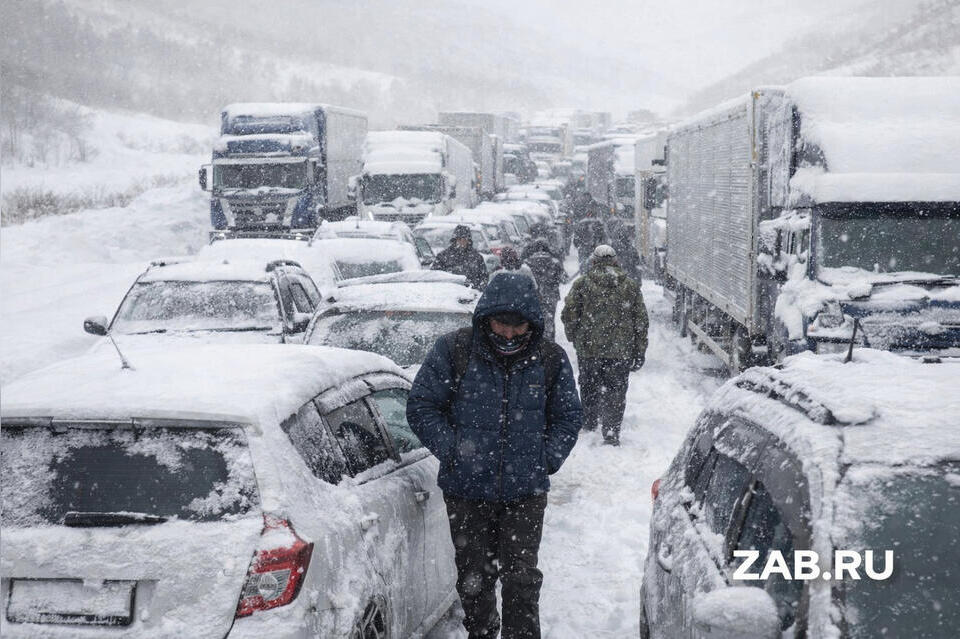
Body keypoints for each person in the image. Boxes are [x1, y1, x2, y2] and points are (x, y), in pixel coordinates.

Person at [407, 273, 583, 639]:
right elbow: (423, 405)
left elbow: (567, 416)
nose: (508, 334)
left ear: (531, 323)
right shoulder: (454, 350)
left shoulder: (549, 359)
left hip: (525, 493)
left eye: (518, 326)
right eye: (502, 324)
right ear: (486, 317)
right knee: (475, 580)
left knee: (521, 579)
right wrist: (453, 451)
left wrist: (545, 458)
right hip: (466, 491)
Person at [561, 244, 648, 446]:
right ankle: (611, 430)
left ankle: (590, 422)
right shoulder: (630, 286)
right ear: (616, 261)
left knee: (589, 385)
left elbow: (569, 314)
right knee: (616, 390)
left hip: (589, 349)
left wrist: (575, 337)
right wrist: (639, 350)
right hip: (620, 351)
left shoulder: (582, 285)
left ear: (593, 261)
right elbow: (641, 321)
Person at [522, 238, 565, 341]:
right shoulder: (555, 262)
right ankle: (549, 341)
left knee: (534, 319)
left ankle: (535, 340)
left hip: (533, 296)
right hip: (551, 295)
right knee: (550, 319)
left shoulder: (527, 262)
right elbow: (564, 278)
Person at [432, 224, 489, 290]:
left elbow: (484, 277)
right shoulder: (443, 256)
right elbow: (435, 276)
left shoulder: (477, 257)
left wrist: (477, 289)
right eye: (459, 239)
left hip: (471, 294)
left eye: (464, 239)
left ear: (468, 241)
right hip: (448, 294)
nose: (462, 242)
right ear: (455, 240)